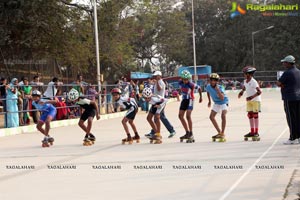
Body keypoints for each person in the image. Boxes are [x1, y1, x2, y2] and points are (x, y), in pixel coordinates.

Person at [145, 71, 176, 138]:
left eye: (156, 75)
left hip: (160, 101)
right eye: (155, 75)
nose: (155, 77)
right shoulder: (157, 82)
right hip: (156, 101)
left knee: (159, 117)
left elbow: (159, 89)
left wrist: (156, 82)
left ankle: (171, 130)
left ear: (160, 76)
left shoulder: (161, 82)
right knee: (159, 117)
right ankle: (154, 132)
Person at [277, 55, 300, 145]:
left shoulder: (287, 72)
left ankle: (293, 137)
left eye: (284, 62)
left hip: (290, 97)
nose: (283, 64)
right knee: (298, 117)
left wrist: (283, 85)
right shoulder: (298, 71)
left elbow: (279, 83)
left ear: (288, 63)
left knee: (291, 118)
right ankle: (298, 136)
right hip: (298, 97)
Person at [238, 66, 262, 141]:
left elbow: (259, 92)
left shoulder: (254, 82)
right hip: (249, 101)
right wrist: (241, 92)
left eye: (245, 73)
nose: (244, 75)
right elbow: (245, 87)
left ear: (249, 74)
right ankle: (252, 131)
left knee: (255, 115)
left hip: (255, 100)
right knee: (250, 115)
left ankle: (256, 132)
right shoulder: (245, 81)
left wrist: (251, 97)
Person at [178, 70, 202, 143]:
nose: (185, 81)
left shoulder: (191, 84)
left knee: (188, 116)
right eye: (184, 79)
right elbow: (181, 88)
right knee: (180, 116)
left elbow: (200, 88)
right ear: (182, 79)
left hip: (190, 100)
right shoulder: (180, 82)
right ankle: (187, 132)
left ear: (189, 79)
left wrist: (201, 97)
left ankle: (191, 133)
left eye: (186, 79)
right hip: (184, 100)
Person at [206, 73, 229, 142]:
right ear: (209, 80)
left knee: (223, 116)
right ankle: (219, 132)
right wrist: (209, 101)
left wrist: (218, 90)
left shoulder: (220, 87)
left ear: (217, 81)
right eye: (211, 80)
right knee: (211, 117)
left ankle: (223, 133)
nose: (213, 82)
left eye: (215, 80)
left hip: (224, 102)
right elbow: (208, 92)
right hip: (216, 103)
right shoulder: (208, 86)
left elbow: (222, 98)